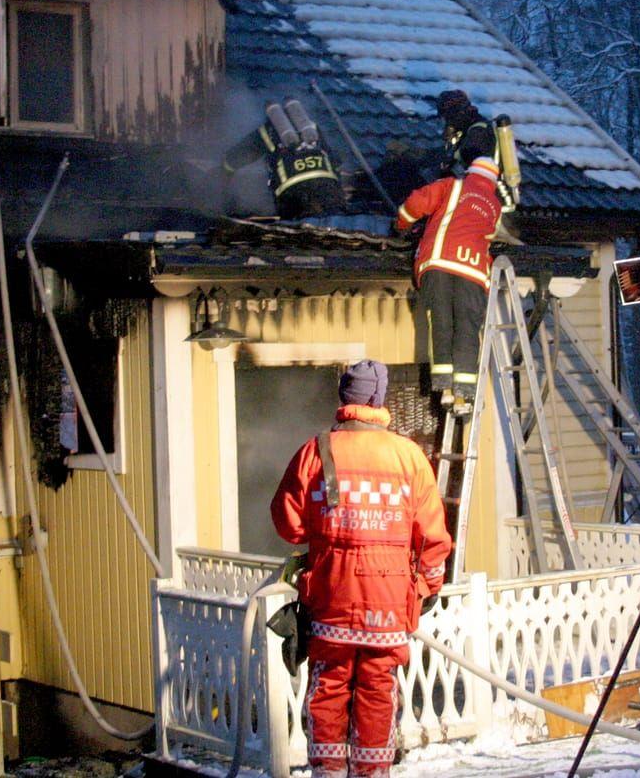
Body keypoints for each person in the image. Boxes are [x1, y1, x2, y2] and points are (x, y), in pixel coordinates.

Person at [271, 360, 453, 778]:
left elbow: (288, 523)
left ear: (345, 398)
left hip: (331, 598)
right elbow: (432, 537)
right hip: (388, 604)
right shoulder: (409, 457)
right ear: (379, 399)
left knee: (329, 687)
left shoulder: (314, 451)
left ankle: (329, 772)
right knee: (377, 690)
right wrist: (428, 585)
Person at [394, 91, 504, 407]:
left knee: (440, 322)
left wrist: (401, 223)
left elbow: (416, 203)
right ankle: (463, 395)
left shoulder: (452, 185)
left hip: (439, 264)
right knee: (467, 328)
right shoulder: (494, 205)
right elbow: (488, 236)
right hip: (473, 273)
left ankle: (442, 386)